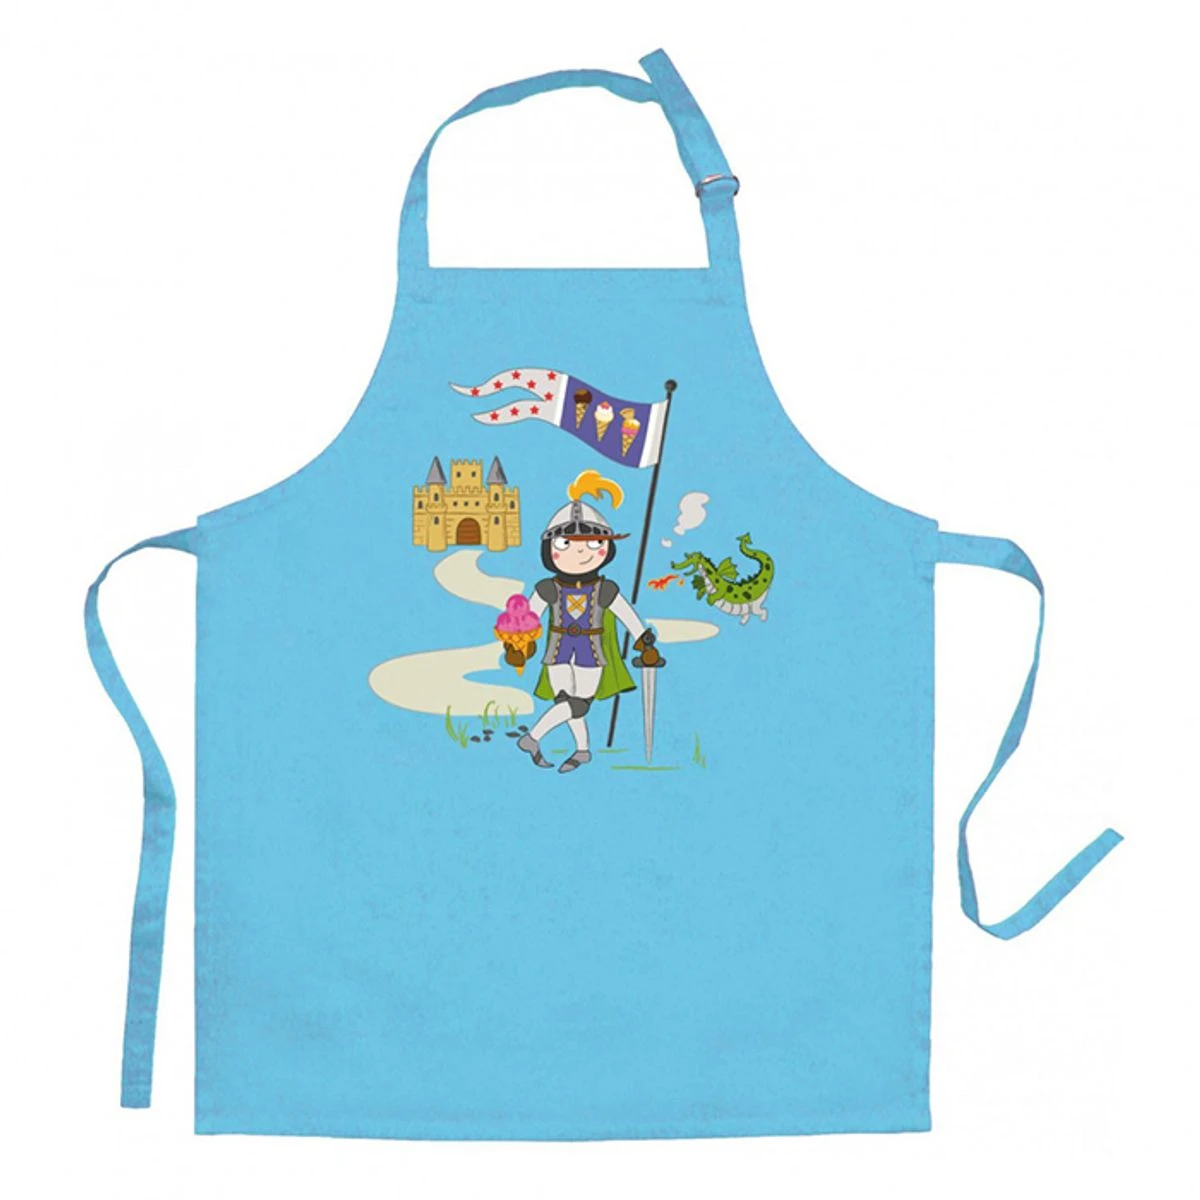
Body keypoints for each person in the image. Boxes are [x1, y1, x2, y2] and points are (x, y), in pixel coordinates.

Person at [509, 472, 662, 773]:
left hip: (591, 652)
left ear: (606, 548)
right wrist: (518, 642)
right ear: (550, 549)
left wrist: (644, 641)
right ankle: (582, 751)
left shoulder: (604, 589)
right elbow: (527, 618)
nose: (579, 551)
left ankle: (533, 738)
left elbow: (627, 616)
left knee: (578, 704)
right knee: (568, 702)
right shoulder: (548, 588)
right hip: (557, 650)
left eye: (593, 543)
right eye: (565, 543)